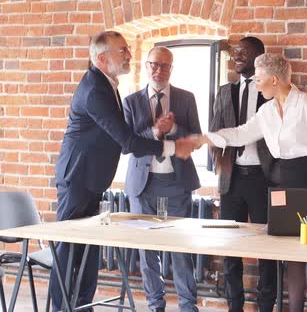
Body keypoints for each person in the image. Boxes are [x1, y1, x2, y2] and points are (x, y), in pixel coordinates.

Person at [50, 31, 195, 311]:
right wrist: (170, 149)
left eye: (128, 49)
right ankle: (61, 308)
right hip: (77, 178)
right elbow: (127, 140)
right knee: (69, 251)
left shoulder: (107, 83)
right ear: (103, 58)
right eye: (123, 51)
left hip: (91, 181)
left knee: (90, 249)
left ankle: (82, 305)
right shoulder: (95, 89)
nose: (129, 55)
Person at [197, 53, 307, 312]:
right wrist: (206, 137)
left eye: (258, 79)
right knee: (293, 256)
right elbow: (241, 134)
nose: (255, 84)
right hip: (284, 185)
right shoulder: (266, 111)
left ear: (274, 80)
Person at [123, 46, 201, 312]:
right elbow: (128, 144)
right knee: (147, 253)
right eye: (154, 64)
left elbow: (196, 139)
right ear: (146, 66)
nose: (159, 70)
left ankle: (188, 306)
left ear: (172, 68)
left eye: (165, 66)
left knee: (181, 250)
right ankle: (155, 305)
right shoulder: (131, 101)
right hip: (142, 185)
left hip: (177, 184)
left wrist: (175, 128)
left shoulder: (186, 98)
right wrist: (155, 131)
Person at [209, 37, 277, 312]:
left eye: (244, 53)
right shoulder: (224, 92)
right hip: (231, 179)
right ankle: (234, 306)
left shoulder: (271, 90)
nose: (236, 57)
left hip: (264, 178)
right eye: (235, 53)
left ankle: (265, 305)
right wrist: (218, 169)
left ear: (259, 57)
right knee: (230, 247)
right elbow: (215, 133)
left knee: (267, 249)